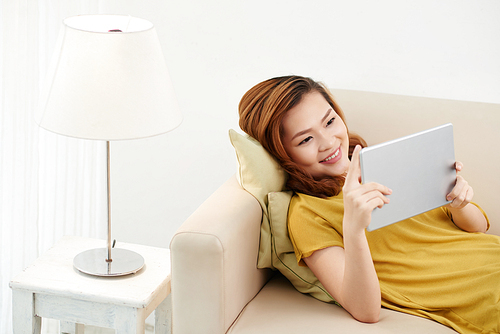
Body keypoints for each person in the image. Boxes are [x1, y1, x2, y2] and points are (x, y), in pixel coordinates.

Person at [238, 75, 499, 333]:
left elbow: (479, 229)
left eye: (329, 121)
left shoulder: (385, 160)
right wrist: (353, 228)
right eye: (306, 139)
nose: (329, 143)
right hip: (481, 296)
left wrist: (459, 203)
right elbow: (365, 310)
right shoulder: (306, 212)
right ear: (283, 153)